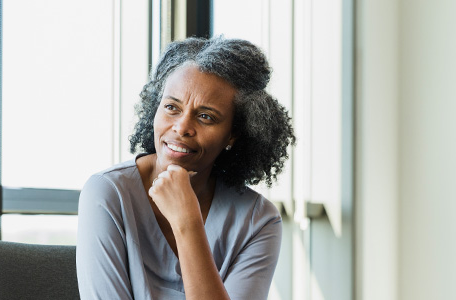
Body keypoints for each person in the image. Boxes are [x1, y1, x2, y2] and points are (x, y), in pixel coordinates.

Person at [76, 36, 295, 300]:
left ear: (233, 134)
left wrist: (187, 222)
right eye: (171, 107)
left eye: (206, 117)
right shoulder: (108, 194)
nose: (181, 127)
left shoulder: (258, 221)